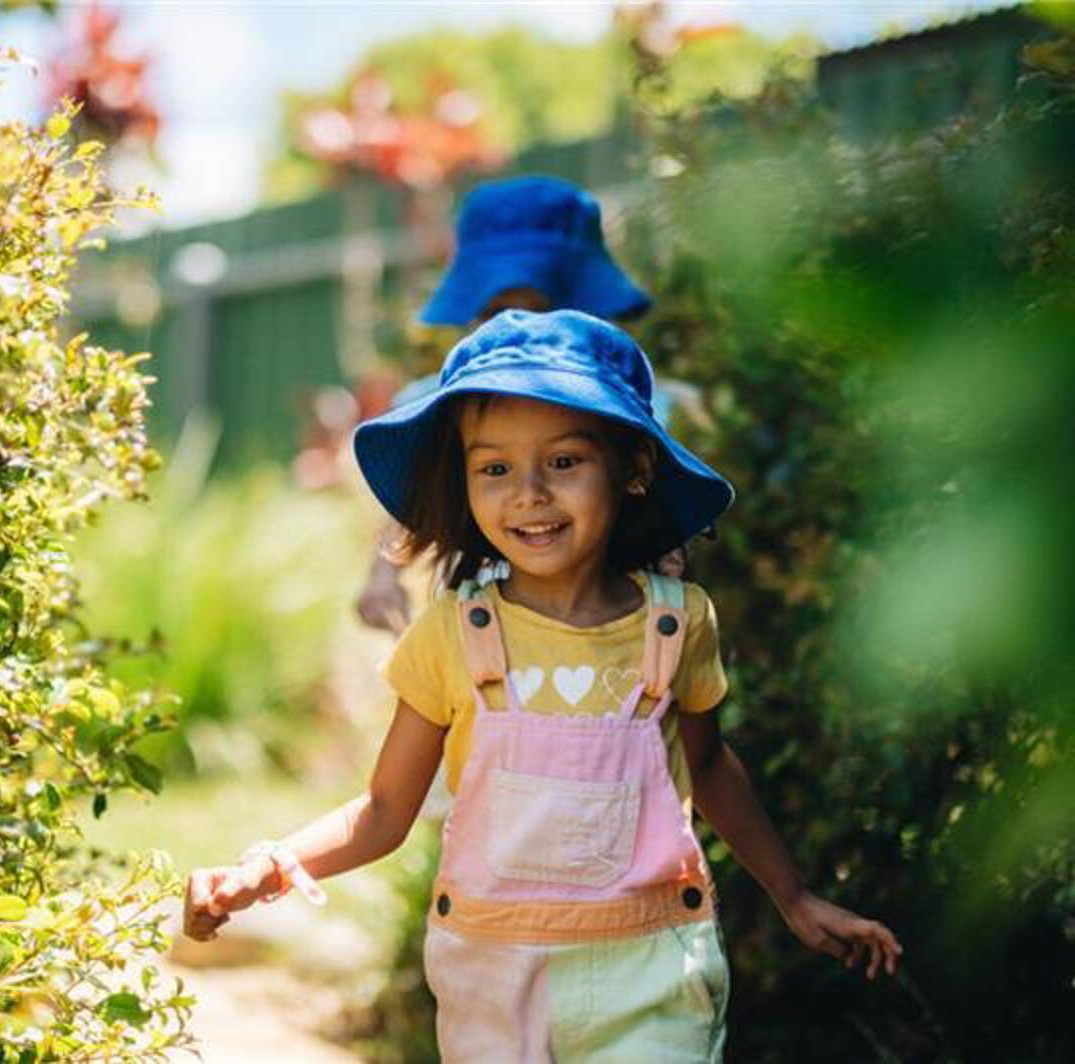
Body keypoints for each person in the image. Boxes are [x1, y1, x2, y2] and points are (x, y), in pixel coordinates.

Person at [184, 310, 901, 1061]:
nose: (527, 493)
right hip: (494, 983)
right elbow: (384, 809)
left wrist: (794, 895)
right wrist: (263, 871)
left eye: (563, 462)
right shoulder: (452, 633)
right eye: (494, 468)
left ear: (634, 469)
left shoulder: (676, 623)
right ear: (463, 483)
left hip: (651, 973)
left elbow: (711, 769)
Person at [357, 175, 654, 635]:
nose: (520, 328)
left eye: (543, 311)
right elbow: (410, 504)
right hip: (478, 647)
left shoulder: (630, 411)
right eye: (497, 313)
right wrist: (382, 575)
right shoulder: (434, 406)